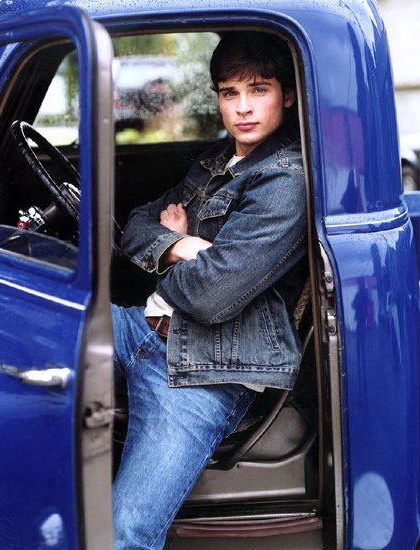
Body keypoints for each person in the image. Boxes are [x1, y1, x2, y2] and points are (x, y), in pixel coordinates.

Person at [112, 31, 308, 550]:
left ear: (287, 95)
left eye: (259, 90)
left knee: (123, 532)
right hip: (139, 328)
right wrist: (180, 245)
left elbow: (209, 296)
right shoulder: (218, 160)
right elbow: (135, 223)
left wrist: (171, 250)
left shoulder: (284, 180)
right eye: (229, 93)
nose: (242, 107)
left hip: (208, 366)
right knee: (25, 327)